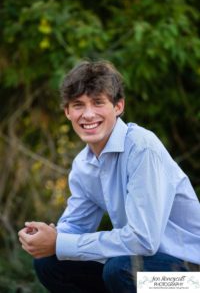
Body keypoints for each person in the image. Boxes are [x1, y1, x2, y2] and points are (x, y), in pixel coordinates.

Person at [18, 60, 200, 293]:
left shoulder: (142, 148)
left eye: (98, 102)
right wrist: (49, 237)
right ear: (67, 112)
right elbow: (75, 227)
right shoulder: (84, 165)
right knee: (50, 263)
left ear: (118, 106)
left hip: (190, 280)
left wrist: (60, 243)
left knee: (122, 268)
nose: (88, 114)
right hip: (145, 269)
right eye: (78, 105)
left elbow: (142, 240)